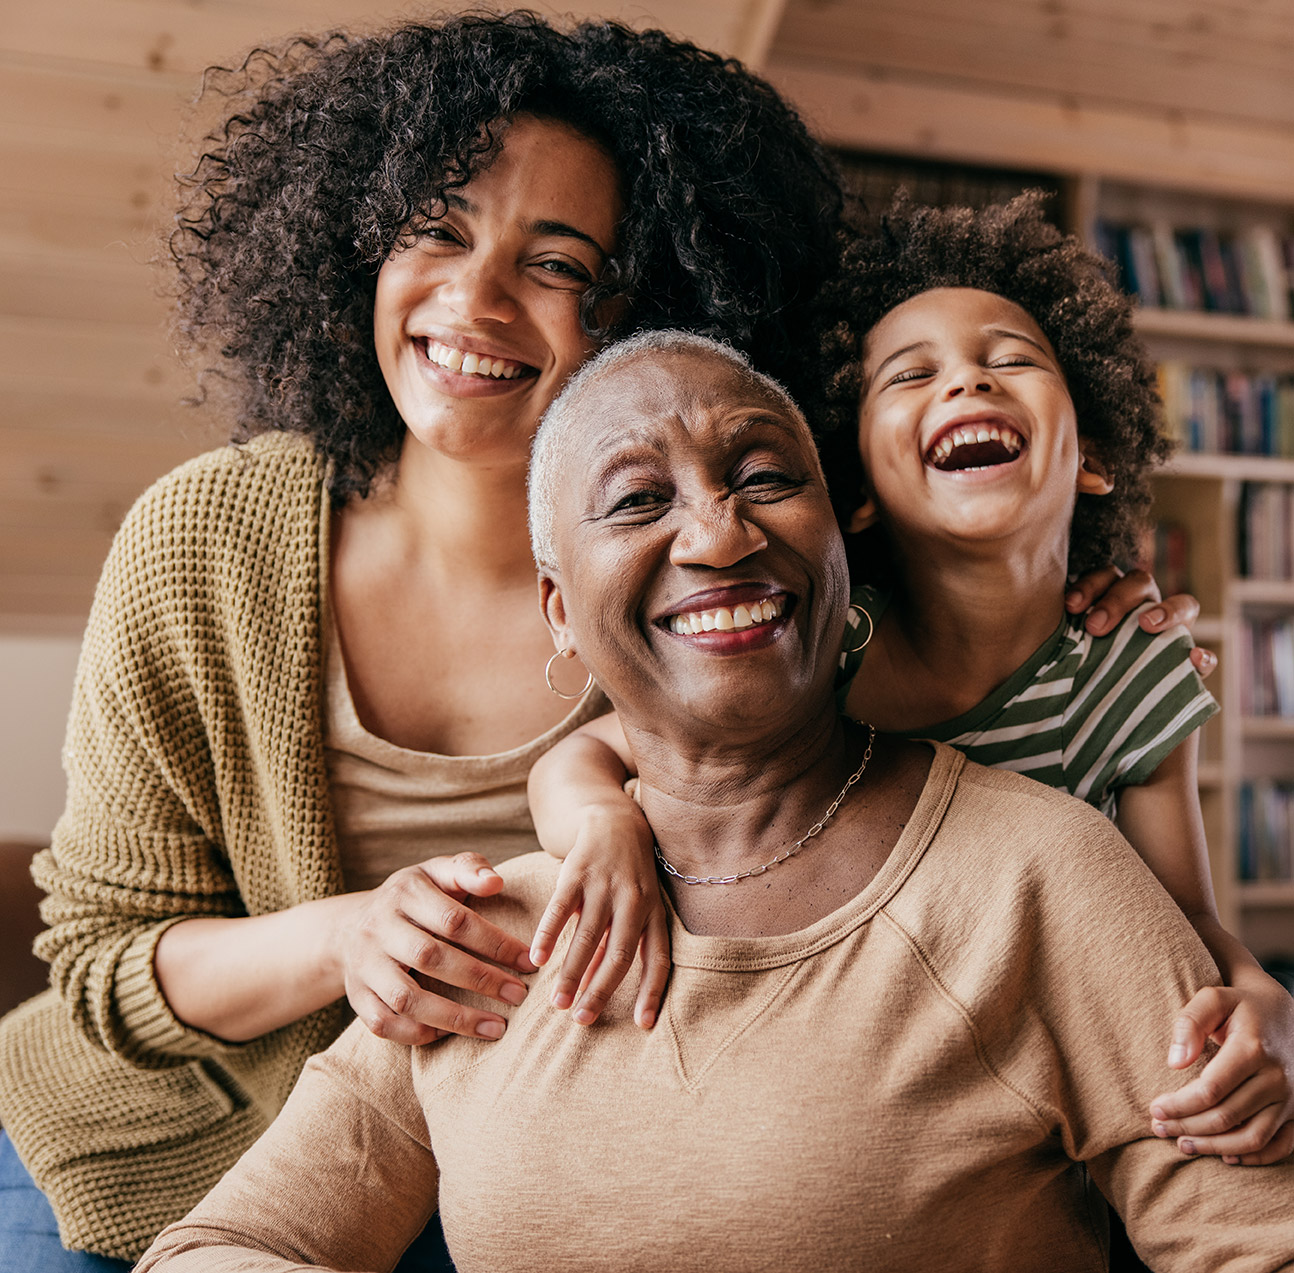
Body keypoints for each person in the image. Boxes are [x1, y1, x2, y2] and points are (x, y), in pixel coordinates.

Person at [137, 332, 1294, 1273]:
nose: (718, 531)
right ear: (558, 610)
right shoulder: (483, 937)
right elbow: (227, 1243)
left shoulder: (1042, 870)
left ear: (840, 544)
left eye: (765, 477)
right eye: (637, 498)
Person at [0, 13, 852, 1267]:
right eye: (435, 231)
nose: (474, 298)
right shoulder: (206, 539)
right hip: (151, 1148)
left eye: (556, 263)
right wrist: (350, 936)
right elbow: (103, 965)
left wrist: (1107, 603)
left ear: (646, 304)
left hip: (513, 1174)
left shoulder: (721, 574)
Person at [526, 195, 1294, 1167]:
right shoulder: (818, 646)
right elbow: (583, 756)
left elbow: (1181, 921)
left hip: (1036, 1081)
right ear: (851, 490)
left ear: (1091, 451)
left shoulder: (1131, 670)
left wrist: (1265, 1004)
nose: (968, 379)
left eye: (1009, 358)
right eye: (912, 373)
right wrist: (600, 823)